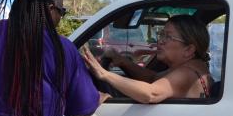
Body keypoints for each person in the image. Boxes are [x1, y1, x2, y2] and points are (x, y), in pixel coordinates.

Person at [81, 15, 214, 103]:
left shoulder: (188, 73)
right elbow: (153, 78)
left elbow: (151, 93)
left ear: (189, 50)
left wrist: (104, 74)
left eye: (168, 37)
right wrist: (122, 61)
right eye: (161, 34)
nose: (160, 41)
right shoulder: (192, 67)